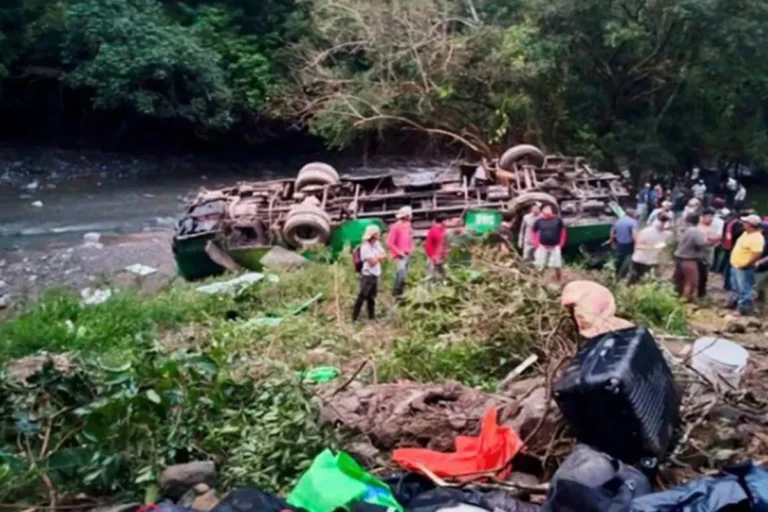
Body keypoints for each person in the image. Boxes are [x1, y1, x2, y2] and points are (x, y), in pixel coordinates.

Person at [728, 214, 765, 316]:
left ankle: (742, 309)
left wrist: (747, 264)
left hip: (744, 268)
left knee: (744, 289)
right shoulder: (745, 233)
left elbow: (757, 254)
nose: (743, 224)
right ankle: (733, 303)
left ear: (751, 225)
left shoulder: (757, 238)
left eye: (745, 222)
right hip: (735, 265)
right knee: (735, 287)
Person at [673, 214, 714, 302]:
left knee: (679, 280)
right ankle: (685, 299)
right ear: (699, 220)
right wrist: (713, 242)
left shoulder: (683, 230)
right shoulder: (696, 231)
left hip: (679, 257)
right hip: (689, 259)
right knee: (690, 281)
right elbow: (701, 243)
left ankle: (676, 296)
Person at [352, 225, 387, 321]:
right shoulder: (365, 247)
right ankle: (354, 317)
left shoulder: (376, 244)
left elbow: (384, 254)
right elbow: (372, 262)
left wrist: (376, 257)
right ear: (373, 235)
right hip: (368, 275)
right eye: (377, 233)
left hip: (375, 274)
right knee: (362, 296)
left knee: (372, 297)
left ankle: (372, 317)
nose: (379, 235)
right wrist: (378, 257)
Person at [628, 214, 671, 284]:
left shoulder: (667, 234)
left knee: (649, 281)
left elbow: (667, 248)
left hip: (653, 262)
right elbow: (637, 245)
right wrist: (652, 247)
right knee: (635, 279)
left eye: (665, 222)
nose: (664, 224)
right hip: (640, 260)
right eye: (662, 222)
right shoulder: (645, 232)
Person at [532, 204, 566, 283]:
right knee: (540, 264)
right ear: (542, 211)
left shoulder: (558, 219)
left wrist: (561, 243)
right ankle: (539, 280)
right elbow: (534, 232)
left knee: (557, 264)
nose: (547, 210)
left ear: (551, 210)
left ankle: (559, 280)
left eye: (548, 208)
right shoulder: (539, 221)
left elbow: (563, 231)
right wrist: (536, 243)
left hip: (555, 246)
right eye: (545, 209)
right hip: (542, 246)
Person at [387, 206, 414, 298]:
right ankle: (395, 294)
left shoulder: (408, 225)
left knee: (404, 276)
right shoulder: (395, 226)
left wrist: (410, 249)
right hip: (399, 255)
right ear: (406, 216)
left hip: (407, 254)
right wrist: (399, 252)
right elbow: (390, 242)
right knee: (401, 275)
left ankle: (401, 295)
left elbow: (409, 238)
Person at [610, 210, 638, 278]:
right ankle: (629, 273)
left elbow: (612, 232)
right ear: (632, 215)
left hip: (620, 244)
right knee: (632, 259)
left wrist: (612, 242)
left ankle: (616, 274)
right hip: (629, 244)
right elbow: (634, 235)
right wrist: (636, 246)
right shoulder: (633, 222)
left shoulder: (617, 221)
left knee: (620, 259)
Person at [697, 208, 718, 298]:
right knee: (699, 273)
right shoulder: (698, 228)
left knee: (705, 274)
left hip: (709, 255)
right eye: (709, 216)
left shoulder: (712, 228)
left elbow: (714, 240)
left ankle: (702, 291)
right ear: (703, 217)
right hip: (700, 255)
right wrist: (712, 240)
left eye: (712, 217)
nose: (711, 219)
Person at [424, 215, 448, 280]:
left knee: (441, 274)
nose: (448, 222)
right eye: (446, 220)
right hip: (433, 256)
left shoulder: (441, 229)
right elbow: (441, 242)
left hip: (438, 256)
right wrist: (434, 257)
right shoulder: (435, 230)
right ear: (443, 221)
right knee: (431, 275)